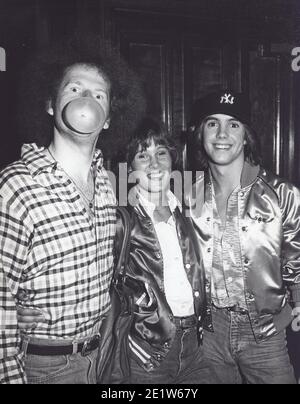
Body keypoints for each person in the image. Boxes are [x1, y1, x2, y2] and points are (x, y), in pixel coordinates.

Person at [0, 34, 145, 384]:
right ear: (51, 103)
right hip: (46, 367)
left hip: (102, 356)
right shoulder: (15, 186)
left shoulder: (108, 183)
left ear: (109, 117)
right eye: (75, 89)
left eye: (99, 95)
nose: (87, 100)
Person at [187, 90, 300, 384]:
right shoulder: (185, 194)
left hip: (265, 334)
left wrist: (295, 307)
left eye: (233, 124)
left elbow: (297, 262)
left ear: (246, 136)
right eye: (212, 123)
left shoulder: (282, 194)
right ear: (200, 134)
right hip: (207, 333)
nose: (222, 133)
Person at [123, 117, 208, 384]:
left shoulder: (189, 211)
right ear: (130, 167)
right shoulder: (121, 219)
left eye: (161, 153)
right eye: (142, 155)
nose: (155, 163)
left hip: (197, 345)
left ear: (173, 160)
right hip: (147, 348)